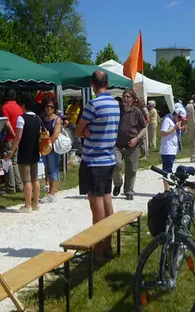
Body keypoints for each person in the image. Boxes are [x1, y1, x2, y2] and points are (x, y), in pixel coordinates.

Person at [75, 70, 120, 256]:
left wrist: (85, 130)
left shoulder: (93, 104)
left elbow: (78, 131)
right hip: (109, 158)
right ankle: (107, 243)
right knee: (107, 199)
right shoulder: (115, 104)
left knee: (96, 204)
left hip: (94, 159)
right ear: (107, 83)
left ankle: (98, 247)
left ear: (92, 85)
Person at [113, 89, 147, 200]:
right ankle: (118, 183)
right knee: (116, 164)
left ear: (133, 99)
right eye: (124, 96)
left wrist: (136, 139)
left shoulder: (137, 112)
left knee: (132, 169)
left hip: (132, 145)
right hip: (117, 145)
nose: (125, 98)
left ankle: (128, 190)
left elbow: (144, 128)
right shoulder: (117, 110)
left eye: (128, 97)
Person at [11, 94, 42, 212]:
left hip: (24, 151)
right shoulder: (37, 118)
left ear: (23, 105)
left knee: (26, 180)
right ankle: (36, 203)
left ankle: (28, 205)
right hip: (35, 150)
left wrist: (12, 150)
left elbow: (18, 136)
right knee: (35, 178)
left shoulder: (21, 118)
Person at [39, 95, 63, 203]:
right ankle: (51, 192)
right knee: (48, 170)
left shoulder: (57, 119)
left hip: (52, 148)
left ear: (54, 108)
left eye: (51, 106)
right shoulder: (42, 118)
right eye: (47, 106)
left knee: (54, 170)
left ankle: (52, 194)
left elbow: (56, 134)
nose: (49, 108)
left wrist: (48, 145)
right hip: (44, 148)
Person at [0, 89, 24, 194]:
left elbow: (7, 122)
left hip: (9, 138)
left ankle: (10, 187)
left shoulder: (5, 107)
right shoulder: (19, 107)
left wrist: (13, 134)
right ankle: (19, 185)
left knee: (7, 161)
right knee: (14, 162)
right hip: (18, 138)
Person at [159, 107, 186, 191]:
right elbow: (163, 133)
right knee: (167, 170)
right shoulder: (167, 120)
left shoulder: (174, 121)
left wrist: (180, 128)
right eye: (180, 118)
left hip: (172, 149)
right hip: (167, 149)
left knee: (168, 169)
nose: (181, 120)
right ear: (176, 115)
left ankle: (167, 188)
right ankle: (166, 189)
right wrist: (174, 128)